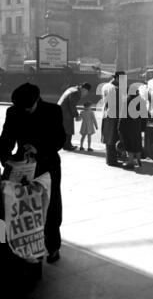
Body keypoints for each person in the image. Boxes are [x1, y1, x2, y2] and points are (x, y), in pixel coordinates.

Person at [0, 83, 66, 264]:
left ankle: (53, 246)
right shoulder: (14, 112)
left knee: (50, 205)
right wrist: (5, 157)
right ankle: (8, 244)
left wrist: (38, 148)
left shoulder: (53, 111)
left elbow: (59, 140)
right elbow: (6, 138)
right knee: (12, 206)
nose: (24, 111)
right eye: (21, 108)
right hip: (20, 165)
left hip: (46, 165)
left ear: (37, 100)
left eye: (28, 108)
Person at [118, 84, 147, 169]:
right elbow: (144, 116)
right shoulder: (141, 101)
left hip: (127, 126)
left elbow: (122, 116)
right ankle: (138, 160)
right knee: (137, 143)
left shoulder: (126, 101)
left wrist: (119, 126)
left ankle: (130, 161)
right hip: (137, 126)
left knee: (128, 143)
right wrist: (143, 127)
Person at [101, 71, 125, 166]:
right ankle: (112, 161)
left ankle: (110, 159)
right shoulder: (115, 89)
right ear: (117, 78)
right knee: (112, 138)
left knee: (109, 138)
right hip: (114, 115)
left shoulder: (106, 86)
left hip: (107, 114)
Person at [57, 82, 91, 150]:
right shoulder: (76, 92)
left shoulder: (72, 88)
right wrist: (76, 115)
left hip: (61, 110)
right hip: (65, 112)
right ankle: (67, 146)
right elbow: (72, 105)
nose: (85, 95)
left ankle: (66, 144)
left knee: (64, 129)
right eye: (86, 93)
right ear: (84, 89)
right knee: (68, 129)